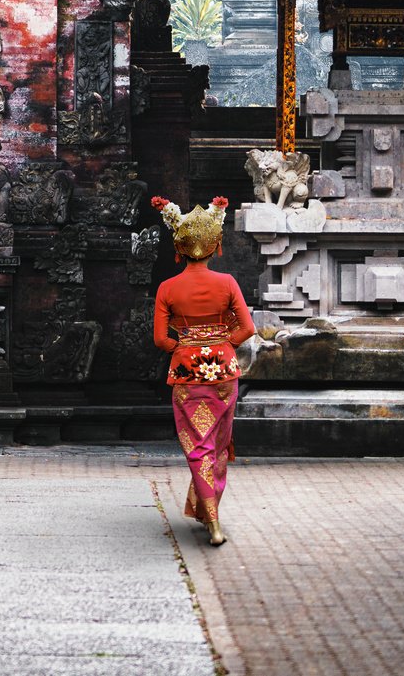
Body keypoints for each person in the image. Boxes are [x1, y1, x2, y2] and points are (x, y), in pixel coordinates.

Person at [153, 194, 255, 546]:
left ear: (178, 249)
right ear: (215, 247)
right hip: (224, 374)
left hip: (186, 373)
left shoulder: (168, 288)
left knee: (198, 446)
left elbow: (160, 339)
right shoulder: (226, 283)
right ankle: (209, 515)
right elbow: (248, 329)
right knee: (219, 445)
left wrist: (184, 345)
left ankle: (210, 520)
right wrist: (221, 341)